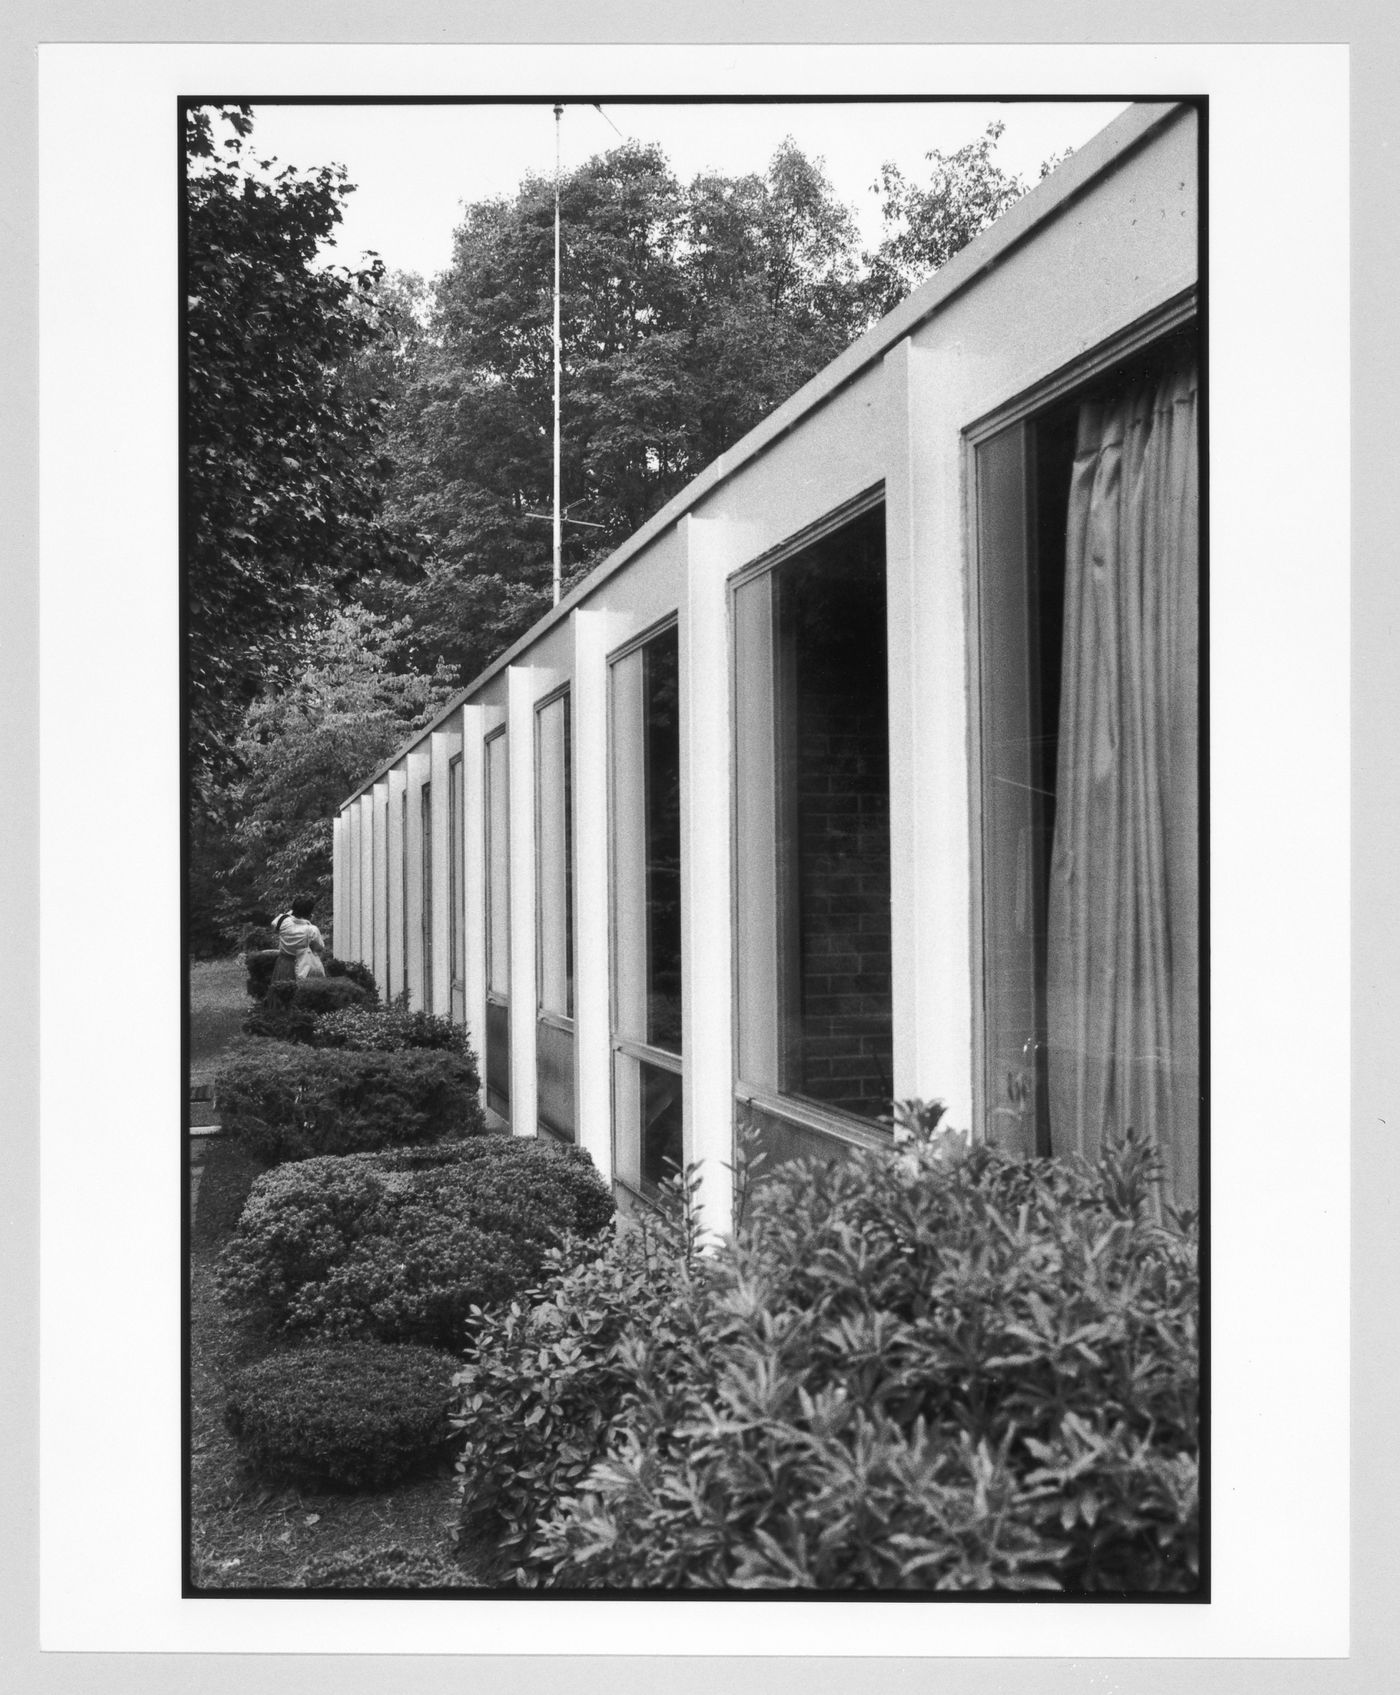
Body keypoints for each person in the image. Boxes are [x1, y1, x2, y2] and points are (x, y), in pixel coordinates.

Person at [269, 894, 327, 987]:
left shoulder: (283, 921)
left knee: (281, 993)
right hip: (303, 966)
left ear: (293, 909)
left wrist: (293, 911)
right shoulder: (312, 930)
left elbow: (274, 924)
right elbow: (319, 948)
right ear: (310, 913)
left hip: (283, 963)